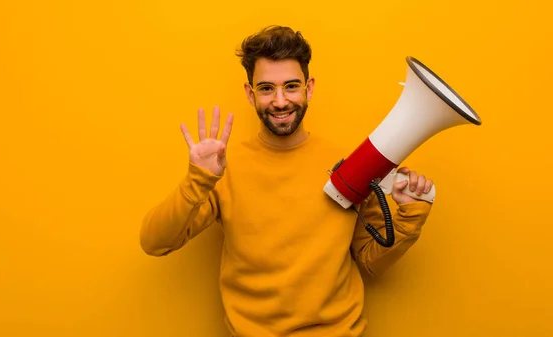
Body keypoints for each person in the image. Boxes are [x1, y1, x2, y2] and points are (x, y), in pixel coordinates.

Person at [140, 25, 434, 337]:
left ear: (309, 87)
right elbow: (155, 242)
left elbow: (373, 261)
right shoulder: (223, 168)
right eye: (266, 89)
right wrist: (198, 179)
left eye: (291, 86)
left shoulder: (349, 165)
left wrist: (410, 216)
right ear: (249, 93)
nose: (280, 102)